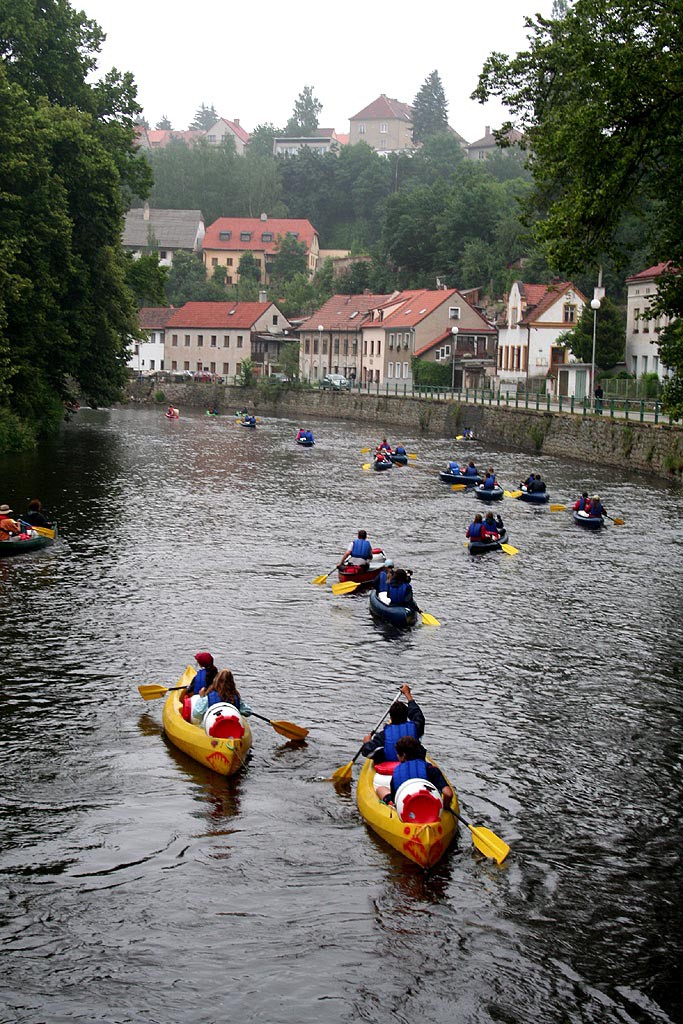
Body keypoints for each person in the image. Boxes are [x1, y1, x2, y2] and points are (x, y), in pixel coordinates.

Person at [375, 735, 454, 811]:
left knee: (380, 789)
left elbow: (394, 798)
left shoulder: (396, 772)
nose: (397, 756)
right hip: (429, 807)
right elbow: (448, 794)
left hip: (405, 810)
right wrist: (445, 806)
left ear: (403, 755)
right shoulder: (431, 769)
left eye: (398, 754)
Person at [360, 684, 425, 763]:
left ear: (391, 718)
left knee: (379, 752)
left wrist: (367, 743)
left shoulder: (383, 735)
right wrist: (408, 695)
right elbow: (417, 714)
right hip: (413, 763)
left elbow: (367, 751)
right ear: (406, 715)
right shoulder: (416, 728)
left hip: (389, 767)